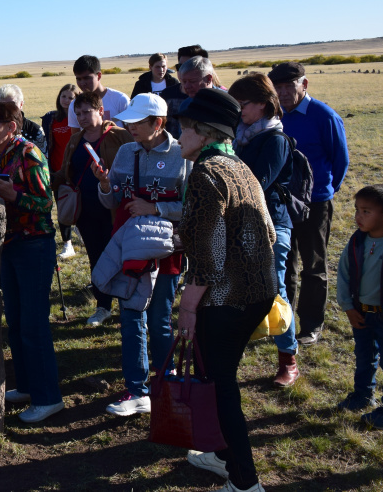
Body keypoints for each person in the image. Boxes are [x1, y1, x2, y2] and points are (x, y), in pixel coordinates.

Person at [176, 88, 277, 492]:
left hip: (226, 299)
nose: (178, 136)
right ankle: (220, 456)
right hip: (258, 291)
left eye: (183, 129)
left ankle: (245, 483)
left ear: (202, 132)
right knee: (221, 376)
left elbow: (207, 258)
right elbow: (266, 231)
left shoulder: (204, 173)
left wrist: (187, 309)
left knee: (220, 388)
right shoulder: (238, 164)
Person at [93, 93, 189, 417]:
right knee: (132, 316)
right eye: (128, 121)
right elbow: (113, 201)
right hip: (130, 249)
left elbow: (193, 208)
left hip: (165, 251)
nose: (129, 127)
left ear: (157, 123)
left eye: (137, 122)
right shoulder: (124, 152)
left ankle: (167, 383)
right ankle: (137, 390)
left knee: (160, 317)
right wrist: (105, 185)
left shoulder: (183, 155)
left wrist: (155, 207)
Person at [0, 101, 64, 424]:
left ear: (11, 127)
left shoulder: (28, 153)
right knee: (16, 324)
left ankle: (49, 398)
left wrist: (13, 195)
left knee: (34, 325)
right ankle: (28, 386)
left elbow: (45, 203)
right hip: (9, 245)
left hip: (34, 246)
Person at [268, 61, 350, 346]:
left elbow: (340, 160)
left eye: (289, 86)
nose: (284, 93)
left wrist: (325, 190)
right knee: (284, 263)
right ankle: (283, 321)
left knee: (314, 265)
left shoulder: (324, 116)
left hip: (315, 203)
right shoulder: (275, 116)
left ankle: (311, 324)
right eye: (277, 88)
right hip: (282, 203)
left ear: (304, 84)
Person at [228, 73, 299, 386]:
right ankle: (232, 350)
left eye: (242, 103)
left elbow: (256, 184)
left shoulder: (275, 140)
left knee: (274, 292)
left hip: (271, 225)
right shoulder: (241, 135)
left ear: (263, 104)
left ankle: (289, 359)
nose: (238, 109)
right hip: (239, 223)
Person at [52, 91, 132, 326]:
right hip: (86, 213)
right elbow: (67, 172)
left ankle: (130, 307)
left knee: (124, 258)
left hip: (116, 212)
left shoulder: (121, 136)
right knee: (97, 259)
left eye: (86, 112)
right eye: (77, 114)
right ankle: (103, 307)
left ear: (101, 111)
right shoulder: (76, 140)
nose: (82, 117)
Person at [335, 184, 383, 429]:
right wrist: (348, 307)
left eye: (366, 211)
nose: (358, 216)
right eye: (357, 209)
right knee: (364, 356)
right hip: (361, 314)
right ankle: (362, 395)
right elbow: (343, 275)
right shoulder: (357, 241)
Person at [42, 84, 81, 258]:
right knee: (63, 206)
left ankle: (82, 232)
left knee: (82, 205)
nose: (66, 100)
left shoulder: (81, 118)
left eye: (71, 97)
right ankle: (67, 244)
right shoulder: (51, 119)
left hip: (78, 169)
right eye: (63, 96)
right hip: (58, 170)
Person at [65, 55, 129, 129]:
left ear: (99, 76)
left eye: (86, 78)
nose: (82, 83)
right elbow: (76, 137)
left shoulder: (120, 99)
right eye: (79, 79)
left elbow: (131, 134)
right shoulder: (74, 105)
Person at [165, 55, 218, 138]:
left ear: (208, 79)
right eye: (184, 81)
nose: (186, 86)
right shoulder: (185, 106)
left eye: (192, 81)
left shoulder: (226, 103)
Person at [0, 83, 46, 150]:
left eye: (11, 104)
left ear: (21, 104)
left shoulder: (35, 130)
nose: (7, 109)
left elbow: (44, 158)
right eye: (2, 105)